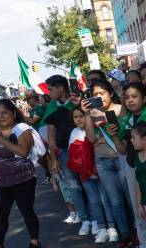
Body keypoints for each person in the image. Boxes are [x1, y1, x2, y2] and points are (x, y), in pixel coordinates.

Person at [0, 99, 42, 248]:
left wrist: (2, 140)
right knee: (0, 216)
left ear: (13, 113)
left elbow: (23, 152)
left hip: (23, 179)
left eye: (4, 113)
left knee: (27, 211)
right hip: (2, 182)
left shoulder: (22, 130)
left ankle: (35, 243)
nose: (1, 116)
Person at [104, 83, 146, 248]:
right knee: (138, 208)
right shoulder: (127, 120)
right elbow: (121, 149)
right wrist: (113, 134)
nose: (130, 100)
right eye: (126, 97)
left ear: (144, 98)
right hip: (133, 167)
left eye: (134, 96)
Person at [82, 80, 132, 247]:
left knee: (131, 198)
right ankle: (125, 234)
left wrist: (102, 139)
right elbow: (91, 139)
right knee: (115, 201)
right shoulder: (93, 114)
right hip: (103, 163)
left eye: (102, 93)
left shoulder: (120, 110)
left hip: (121, 159)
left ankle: (139, 232)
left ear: (110, 93)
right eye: (95, 94)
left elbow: (125, 133)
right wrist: (87, 114)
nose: (99, 97)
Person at [44, 75, 90, 234]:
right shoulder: (51, 107)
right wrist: (53, 158)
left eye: (50, 89)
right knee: (73, 186)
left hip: (84, 151)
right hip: (64, 153)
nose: (48, 93)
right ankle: (85, 218)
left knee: (88, 184)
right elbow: (51, 135)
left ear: (61, 88)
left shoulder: (77, 102)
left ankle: (98, 219)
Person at [68, 107, 110, 243]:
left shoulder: (95, 129)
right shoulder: (74, 132)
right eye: (75, 117)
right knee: (93, 200)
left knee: (105, 200)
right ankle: (99, 224)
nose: (79, 119)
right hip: (85, 173)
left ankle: (111, 226)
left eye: (81, 115)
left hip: (99, 169)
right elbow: (74, 155)